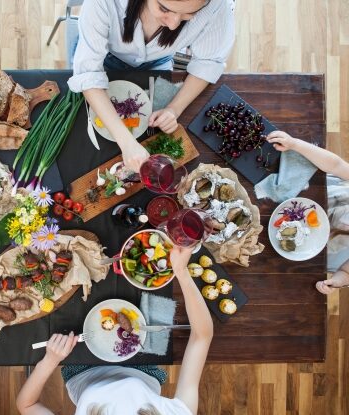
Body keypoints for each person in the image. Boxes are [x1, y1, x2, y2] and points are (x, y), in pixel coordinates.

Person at [16, 245, 212, 415]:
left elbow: (27, 405)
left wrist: (50, 360)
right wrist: (181, 272)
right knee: (157, 300)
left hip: (82, 372)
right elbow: (201, 337)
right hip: (145, 370)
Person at [68, 0, 235, 171]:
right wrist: (127, 143)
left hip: (158, 61)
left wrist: (174, 109)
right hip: (104, 57)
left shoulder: (218, 5)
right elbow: (89, 74)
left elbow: (208, 62)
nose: (173, 25)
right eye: (164, 8)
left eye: (188, 14)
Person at [266, 130, 349, 295]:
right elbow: (336, 165)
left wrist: (336, 282)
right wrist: (294, 143)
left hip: (312, 244)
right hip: (312, 193)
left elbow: (346, 273)